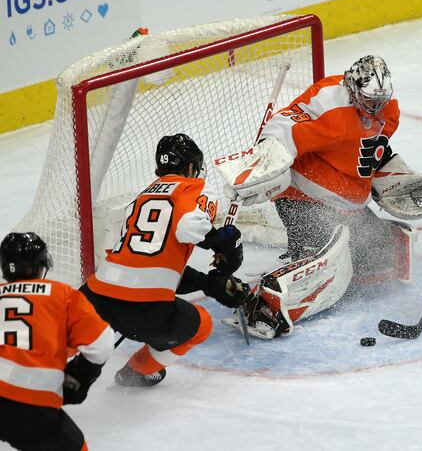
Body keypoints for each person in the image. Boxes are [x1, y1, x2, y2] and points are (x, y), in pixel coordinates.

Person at [217, 55, 422, 339]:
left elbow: (368, 150)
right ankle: (264, 306)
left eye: (380, 101)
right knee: (322, 270)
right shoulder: (328, 104)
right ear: (352, 89)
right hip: (303, 199)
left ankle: (342, 255)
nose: (375, 109)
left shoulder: (388, 111)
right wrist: (265, 156)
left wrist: (388, 174)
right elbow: (283, 126)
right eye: (369, 101)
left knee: (379, 258)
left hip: (348, 204)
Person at [81, 133, 249, 387]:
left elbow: (147, 263)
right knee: (201, 324)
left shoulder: (140, 199)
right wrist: (226, 245)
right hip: (145, 313)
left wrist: (208, 283)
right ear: (192, 167)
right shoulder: (195, 188)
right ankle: (138, 370)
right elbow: (191, 227)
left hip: (95, 297)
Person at [0, 232, 114, 451]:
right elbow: (102, 343)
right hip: (28, 405)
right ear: (40, 266)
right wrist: (79, 376)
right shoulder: (61, 294)